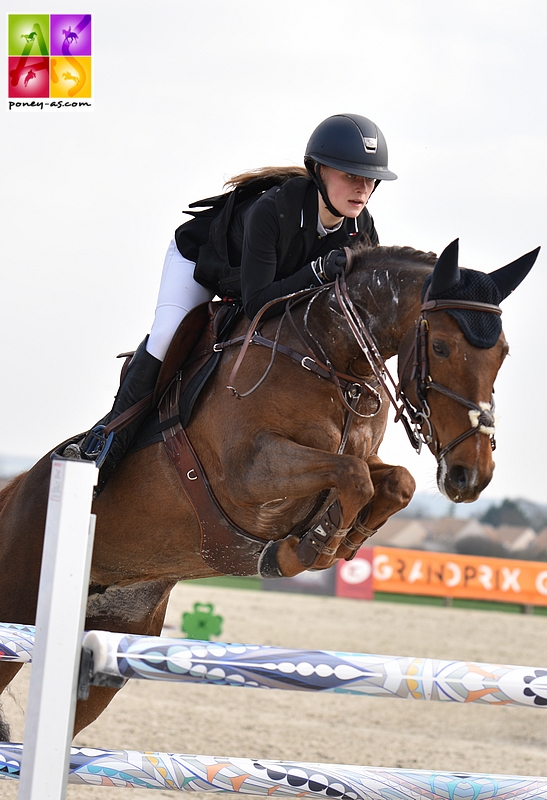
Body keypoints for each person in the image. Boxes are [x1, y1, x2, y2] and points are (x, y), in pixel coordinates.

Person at [62, 113, 397, 490]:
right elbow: (258, 304)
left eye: (370, 179)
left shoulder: (361, 228)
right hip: (200, 263)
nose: (363, 188)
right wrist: (317, 271)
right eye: (351, 175)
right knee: (168, 334)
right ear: (319, 171)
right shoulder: (273, 211)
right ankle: (105, 443)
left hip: (261, 282)